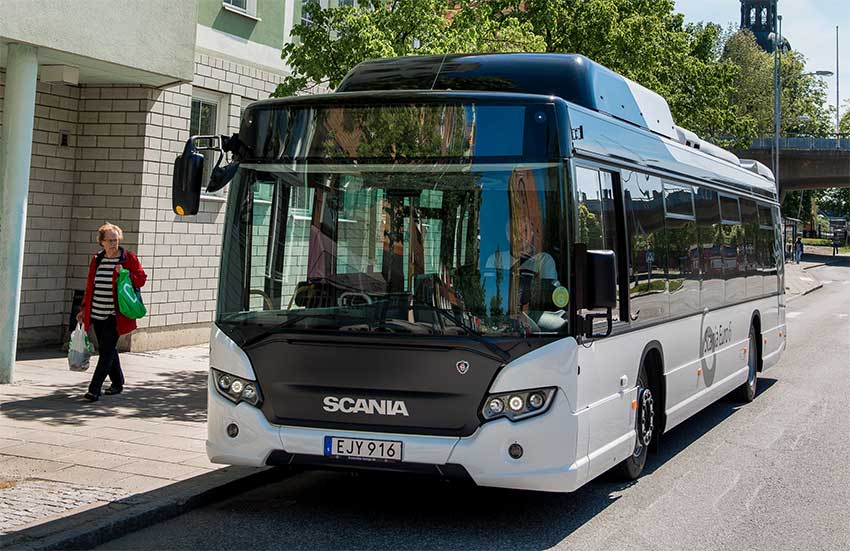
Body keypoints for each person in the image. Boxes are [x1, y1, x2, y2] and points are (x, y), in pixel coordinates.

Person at [75, 223, 147, 402]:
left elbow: (141, 279)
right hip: (97, 311)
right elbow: (90, 286)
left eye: (116, 240)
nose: (114, 244)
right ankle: (118, 382)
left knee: (106, 352)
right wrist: (84, 309)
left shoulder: (128, 258)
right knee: (107, 348)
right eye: (110, 240)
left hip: (116, 314)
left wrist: (126, 273)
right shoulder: (97, 259)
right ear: (102, 242)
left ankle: (94, 389)